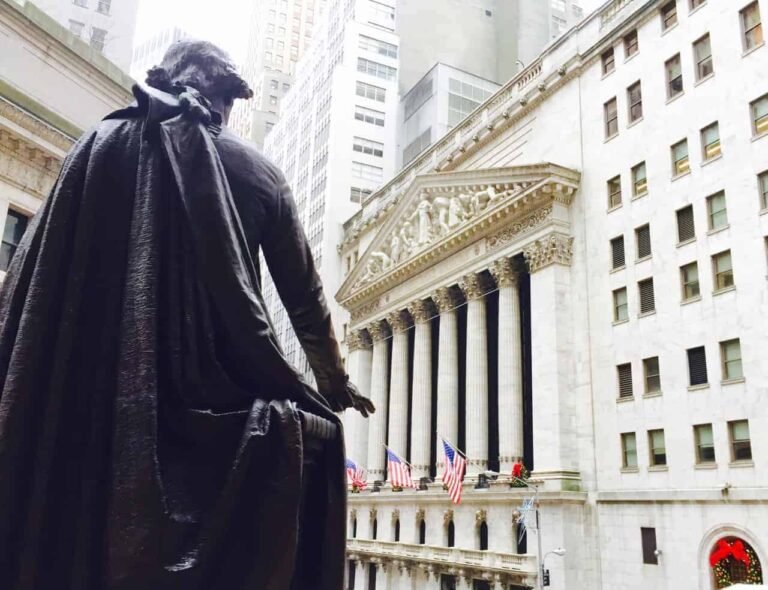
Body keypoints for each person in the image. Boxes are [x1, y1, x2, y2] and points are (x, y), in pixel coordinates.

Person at [0, 39, 373, 590]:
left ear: (163, 80)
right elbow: (306, 301)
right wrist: (333, 383)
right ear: (229, 100)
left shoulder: (98, 144)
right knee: (316, 436)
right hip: (219, 405)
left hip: (96, 399)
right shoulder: (262, 173)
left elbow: (34, 289)